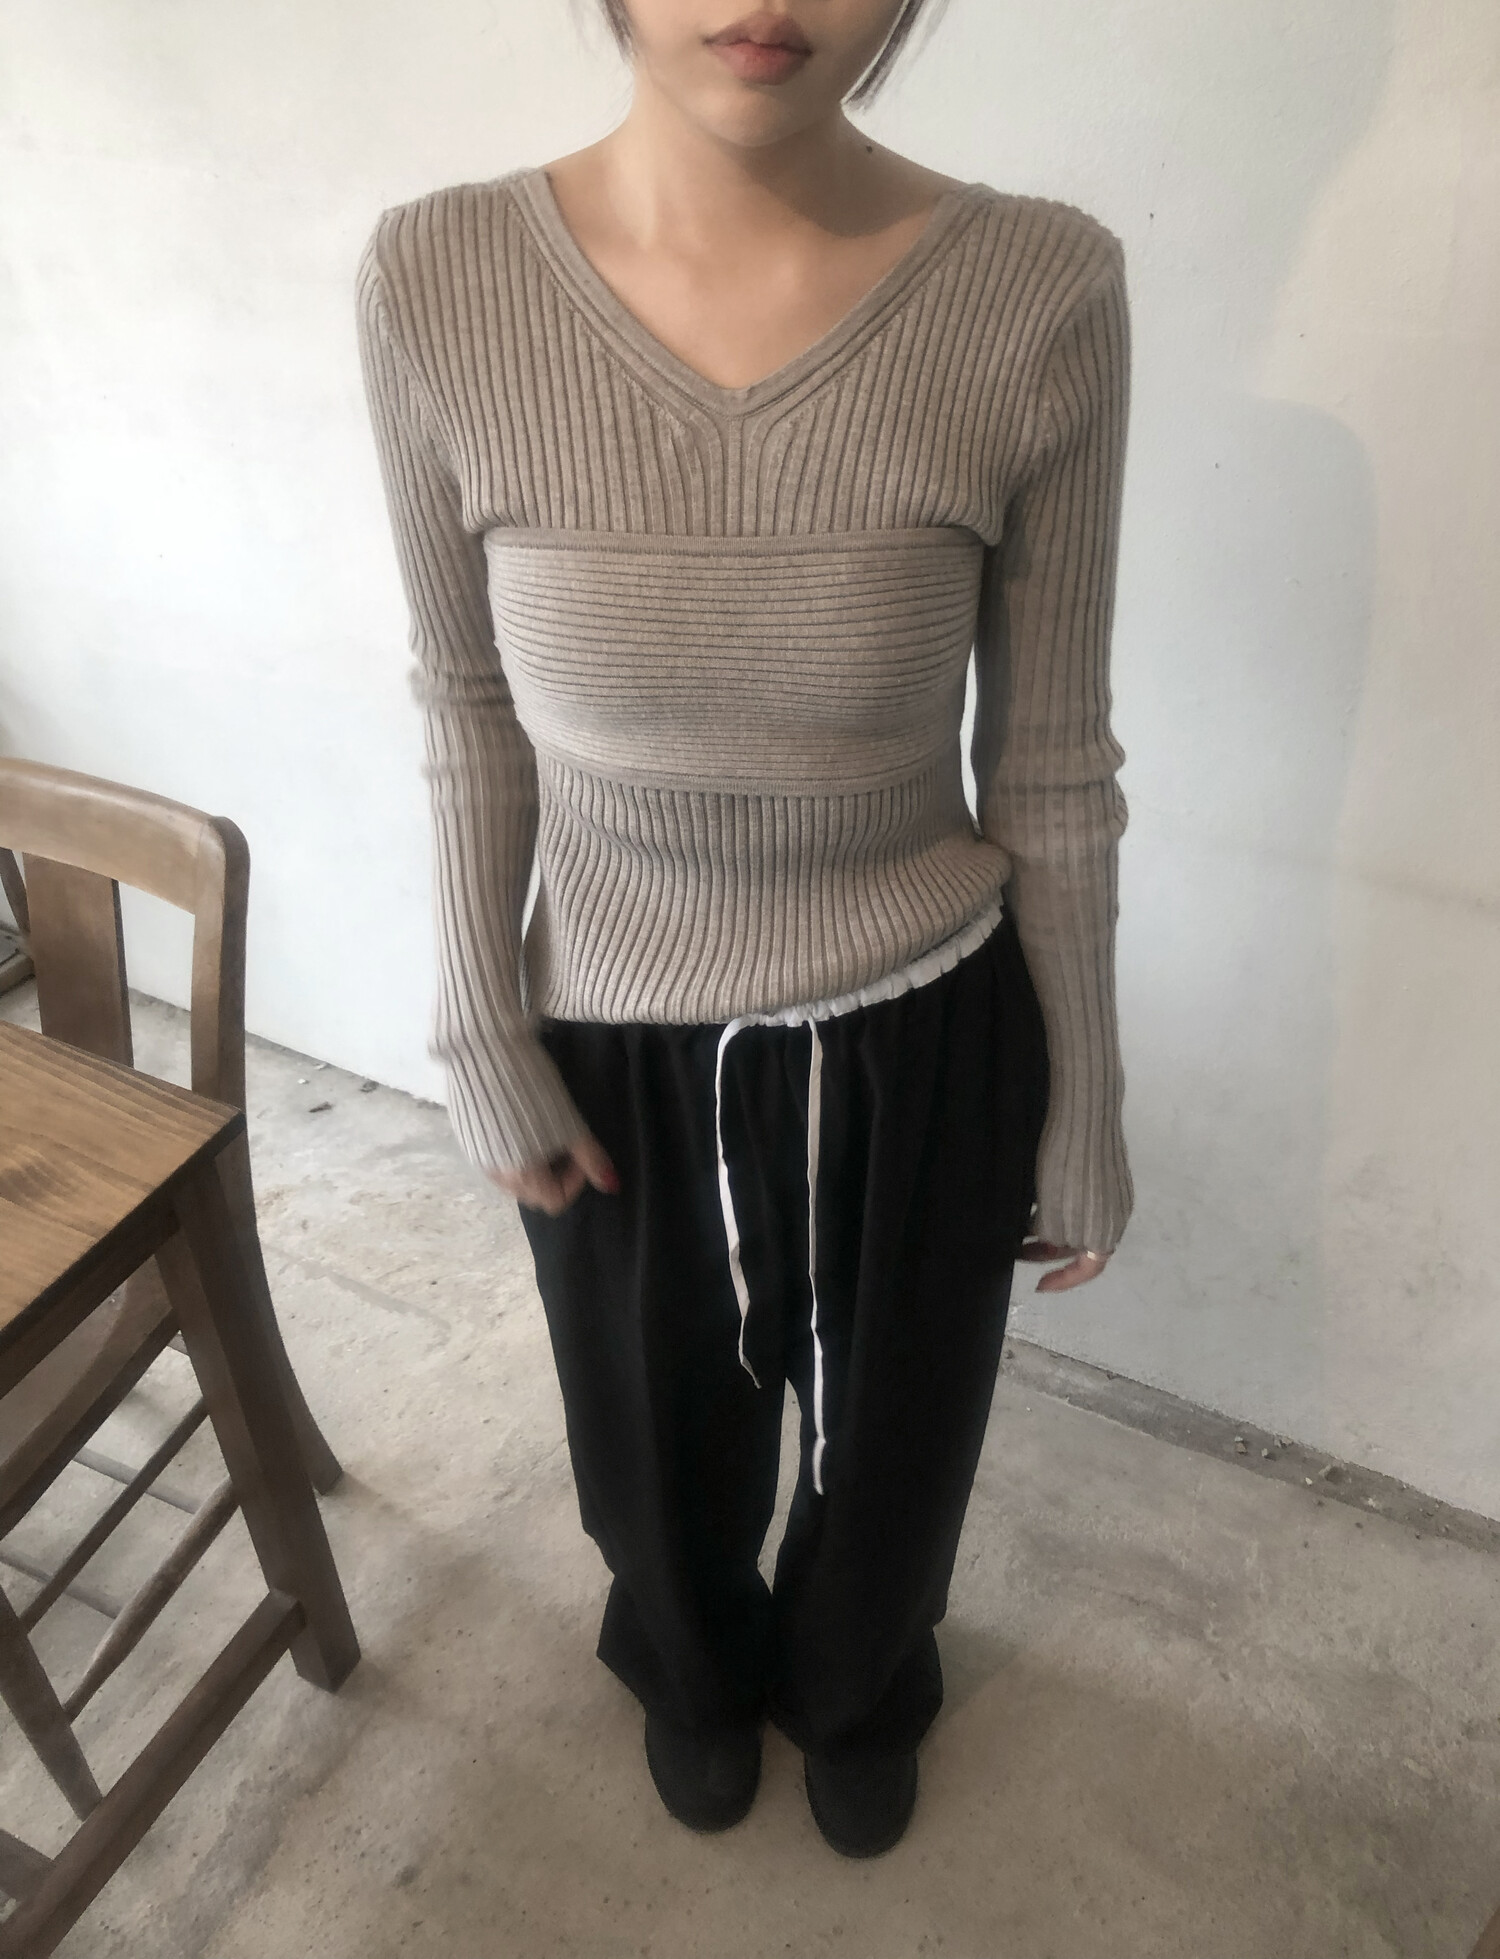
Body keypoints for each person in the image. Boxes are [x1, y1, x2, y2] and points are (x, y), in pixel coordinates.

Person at [356, 0, 1132, 1861]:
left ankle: (860, 1683)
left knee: (904, 1439)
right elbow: (463, 696)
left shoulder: (1040, 291)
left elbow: (1047, 758)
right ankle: (691, 1668)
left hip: (927, 1020)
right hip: (612, 1025)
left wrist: (1088, 1093)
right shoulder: (437, 278)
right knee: (649, 1438)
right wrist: (475, 1019)